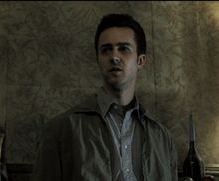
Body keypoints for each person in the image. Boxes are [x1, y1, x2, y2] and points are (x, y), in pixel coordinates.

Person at [31, 13, 178, 181]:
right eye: (106, 50)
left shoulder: (163, 139)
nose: (114, 57)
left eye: (124, 48)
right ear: (98, 59)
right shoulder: (62, 130)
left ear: (140, 61)